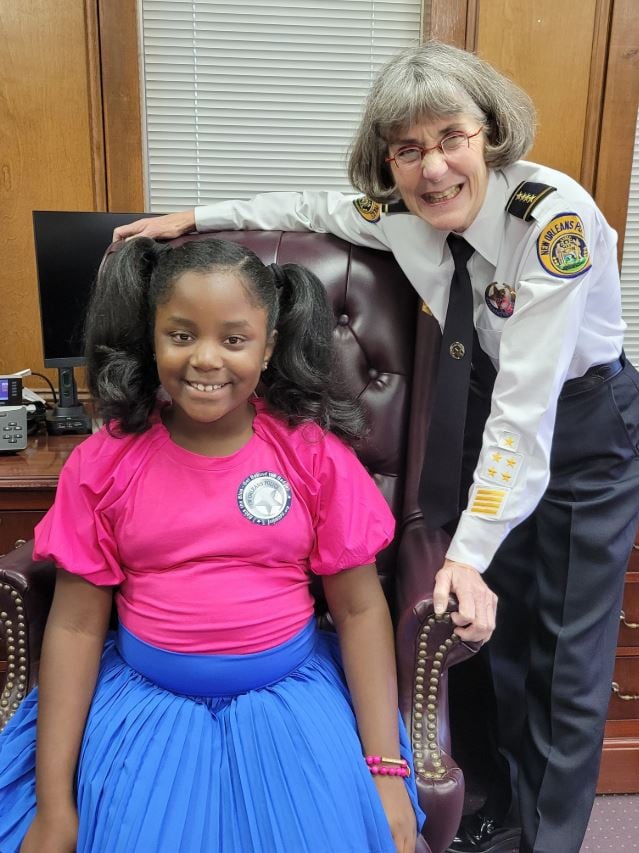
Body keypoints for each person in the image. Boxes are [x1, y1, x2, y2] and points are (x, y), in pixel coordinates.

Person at [112, 40, 639, 853]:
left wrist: (467, 549)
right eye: (408, 150)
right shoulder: (400, 215)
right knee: (480, 637)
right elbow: (308, 205)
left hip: (578, 420)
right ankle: (489, 806)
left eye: (451, 138)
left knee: (564, 649)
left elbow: (525, 409)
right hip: (480, 409)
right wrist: (196, 217)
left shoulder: (551, 219)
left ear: (489, 134)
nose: (432, 169)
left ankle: (546, 838)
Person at [0, 237, 427, 853]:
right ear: (152, 337)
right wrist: (56, 804)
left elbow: (359, 611)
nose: (205, 360)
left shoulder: (310, 456)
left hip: (289, 701)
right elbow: (73, 628)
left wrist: (387, 772)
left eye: (233, 339)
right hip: (148, 703)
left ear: (268, 344)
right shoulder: (104, 463)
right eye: (180, 335)